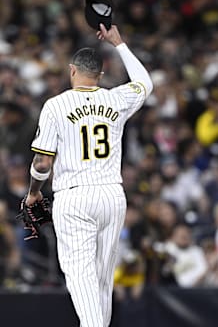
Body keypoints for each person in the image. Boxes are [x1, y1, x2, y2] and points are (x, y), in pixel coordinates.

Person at [24, 23, 153, 327]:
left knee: (82, 280)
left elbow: (42, 163)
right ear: (101, 75)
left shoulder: (56, 105)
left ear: (72, 70)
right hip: (111, 195)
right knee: (102, 282)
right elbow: (145, 82)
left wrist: (33, 191)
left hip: (75, 196)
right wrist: (119, 43)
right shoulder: (115, 99)